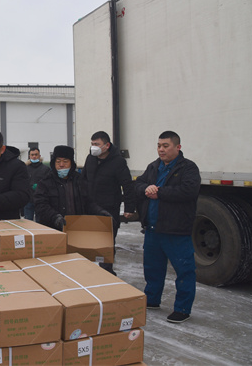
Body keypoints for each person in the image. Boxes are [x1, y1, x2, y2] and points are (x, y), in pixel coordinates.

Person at [135, 131, 200, 324]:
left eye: (165, 146)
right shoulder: (153, 166)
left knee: (184, 270)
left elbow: (189, 191)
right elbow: (138, 184)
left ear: (178, 147)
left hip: (175, 230)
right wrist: (146, 188)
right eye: (159, 145)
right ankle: (152, 299)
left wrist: (160, 192)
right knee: (152, 268)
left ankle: (182, 309)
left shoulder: (188, 168)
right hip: (153, 229)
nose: (161, 149)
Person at [81, 131, 136, 275]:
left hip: (109, 209)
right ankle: (87, 273)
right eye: (92, 144)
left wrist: (129, 207)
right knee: (88, 242)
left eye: (97, 144)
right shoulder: (90, 158)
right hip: (90, 207)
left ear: (107, 145)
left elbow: (127, 185)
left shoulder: (118, 162)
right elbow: (83, 179)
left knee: (107, 243)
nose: (93, 147)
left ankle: (107, 272)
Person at [34, 145, 109, 231]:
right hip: (53, 230)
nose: (61, 165)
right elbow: (40, 205)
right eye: (58, 162)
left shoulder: (80, 180)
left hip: (77, 228)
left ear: (71, 163)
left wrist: (100, 212)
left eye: (65, 162)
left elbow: (89, 202)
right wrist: (55, 217)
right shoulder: (45, 182)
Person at [23, 147, 50, 222]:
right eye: (32, 155)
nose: (34, 156)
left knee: (40, 222)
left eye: (36, 154)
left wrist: (39, 186)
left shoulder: (45, 169)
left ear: (39, 156)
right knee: (28, 222)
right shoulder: (25, 169)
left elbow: (48, 183)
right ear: (29, 156)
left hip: (40, 200)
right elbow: (22, 182)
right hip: (28, 199)